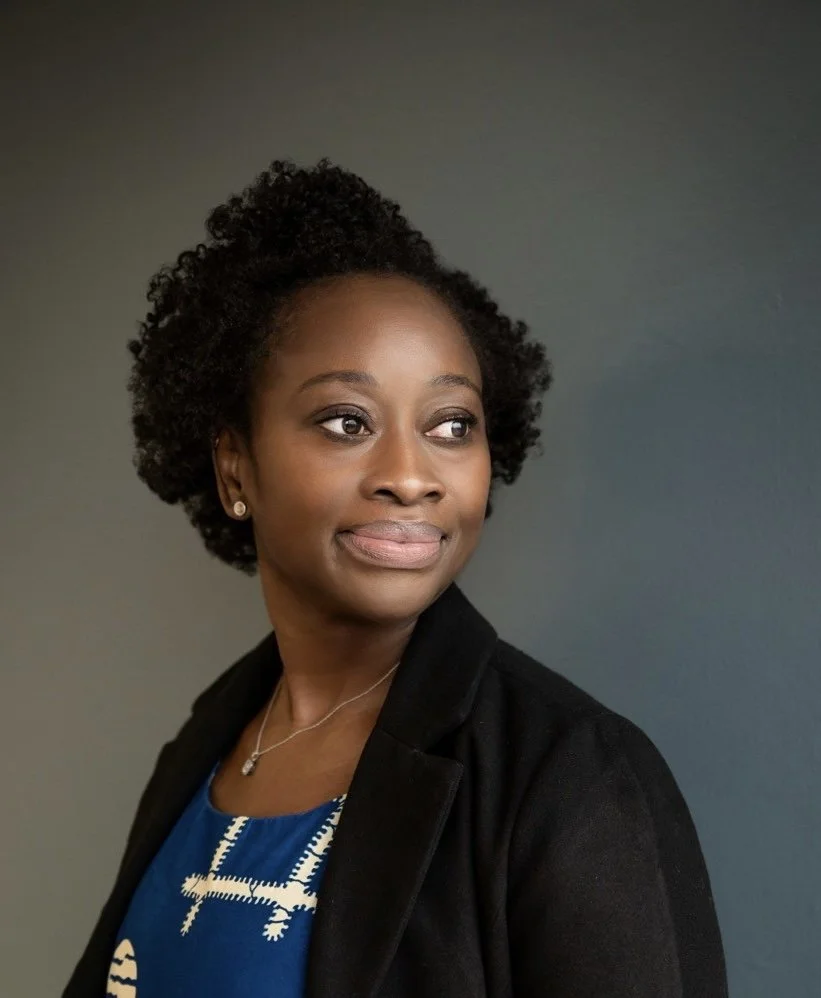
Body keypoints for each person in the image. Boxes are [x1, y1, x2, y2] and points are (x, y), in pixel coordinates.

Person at [63, 159, 727, 997]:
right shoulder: (203, 748)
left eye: (452, 425)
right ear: (235, 466)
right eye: (347, 421)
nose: (410, 475)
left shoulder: (572, 777)